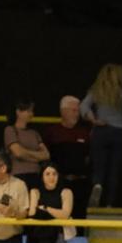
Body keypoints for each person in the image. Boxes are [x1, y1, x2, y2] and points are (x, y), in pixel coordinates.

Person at [81, 63, 122, 208]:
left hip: (101, 129)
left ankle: (97, 185)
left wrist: (93, 119)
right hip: (120, 131)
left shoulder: (97, 91)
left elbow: (84, 106)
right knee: (115, 169)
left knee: (99, 165)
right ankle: (110, 202)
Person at [44, 96, 93, 226]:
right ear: (63, 111)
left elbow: (88, 157)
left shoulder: (84, 132)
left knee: (79, 218)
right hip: (59, 183)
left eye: (77, 111)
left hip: (80, 183)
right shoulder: (52, 132)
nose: (77, 114)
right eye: (73, 110)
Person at [3, 99, 49, 190]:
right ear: (18, 112)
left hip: (36, 176)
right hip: (18, 176)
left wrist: (25, 153)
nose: (31, 114)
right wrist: (36, 156)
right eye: (28, 111)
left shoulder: (34, 133)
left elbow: (46, 155)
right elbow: (18, 152)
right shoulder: (10, 130)